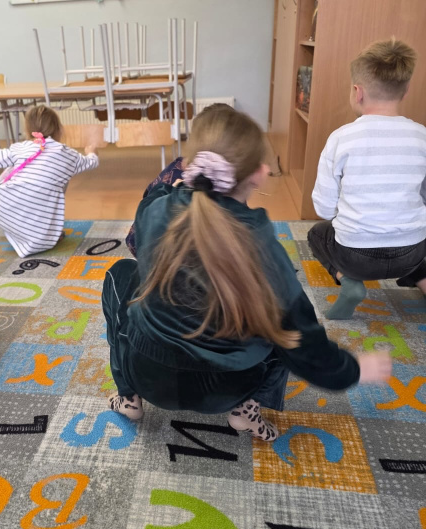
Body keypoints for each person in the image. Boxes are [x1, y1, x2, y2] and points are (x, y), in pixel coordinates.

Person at [102, 104, 391, 440]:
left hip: (146, 373)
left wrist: (173, 190)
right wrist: (353, 370)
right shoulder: (263, 247)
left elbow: (142, 238)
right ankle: (247, 410)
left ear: (189, 165)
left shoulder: (155, 209)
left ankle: (128, 396)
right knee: (284, 321)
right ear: (259, 174)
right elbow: (306, 344)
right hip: (228, 388)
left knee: (121, 273)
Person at [310, 38, 426, 320]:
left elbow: (323, 209)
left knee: (317, 234)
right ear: (406, 90)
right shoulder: (422, 136)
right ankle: (423, 280)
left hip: (355, 258)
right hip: (411, 254)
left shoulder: (341, 138)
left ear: (357, 92)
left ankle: (347, 281)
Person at [0, 105, 99, 257]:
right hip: (39, 233)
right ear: (59, 129)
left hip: (4, 212)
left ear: (28, 130)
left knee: (16, 166)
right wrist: (91, 152)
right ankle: (39, 232)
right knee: (61, 176)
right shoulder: (67, 154)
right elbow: (91, 162)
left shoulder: (20, 148)